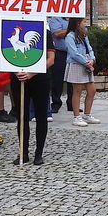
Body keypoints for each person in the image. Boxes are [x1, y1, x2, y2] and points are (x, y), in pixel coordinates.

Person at [9, 31, 55, 165]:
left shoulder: (45, 32)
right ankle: (23, 152)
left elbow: (51, 59)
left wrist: (31, 73)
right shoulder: (10, 28)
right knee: (22, 117)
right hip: (18, 78)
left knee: (41, 116)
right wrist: (16, 71)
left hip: (40, 79)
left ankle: (38, 153)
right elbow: (4, 57)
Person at [65, 17, 99, 127]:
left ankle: (87, 114)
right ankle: (76, 116)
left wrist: (92, 59)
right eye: (84, 21)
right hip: (76, 64)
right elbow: (74, 53)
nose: (86, 23)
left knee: (92, 90)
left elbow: (89, 48)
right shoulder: (70, 36)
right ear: (77, 23)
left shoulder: (84, 34)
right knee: (77, 90)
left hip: (86, 63)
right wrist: (85, 62)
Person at [48, 16, 73, 113]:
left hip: (72, 53)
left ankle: (71, 103)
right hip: (60, 52)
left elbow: (83, 32)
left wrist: (66, 32)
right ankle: (56, 103)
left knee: (72, 79)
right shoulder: (55, 18)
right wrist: (73, 30)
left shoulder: (75, 18)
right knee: (57, 79)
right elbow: (56, 34)